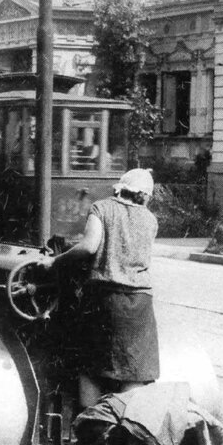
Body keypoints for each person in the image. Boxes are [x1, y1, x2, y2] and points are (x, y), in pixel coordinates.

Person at [38, 168, 160, 414]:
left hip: (105, 298)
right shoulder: (150, 219)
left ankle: (89, 428)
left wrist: (55, 261)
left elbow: (88, 246)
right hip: (140, 304)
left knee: (90, 366)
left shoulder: (102, 208)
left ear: (119, 188)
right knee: (133, 372)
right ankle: (124, 432)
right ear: (144, 196)